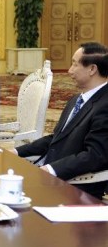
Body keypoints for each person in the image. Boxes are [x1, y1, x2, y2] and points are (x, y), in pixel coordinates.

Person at [12, 42, 108, 199]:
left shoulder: (105, 105)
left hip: (76, 188)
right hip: (50, 175)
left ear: (92, 69)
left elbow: (94, 156)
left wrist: (50, 170)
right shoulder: (76, 99)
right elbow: (56, 138)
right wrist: (16, 152)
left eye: (74, 64)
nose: (69, 71)